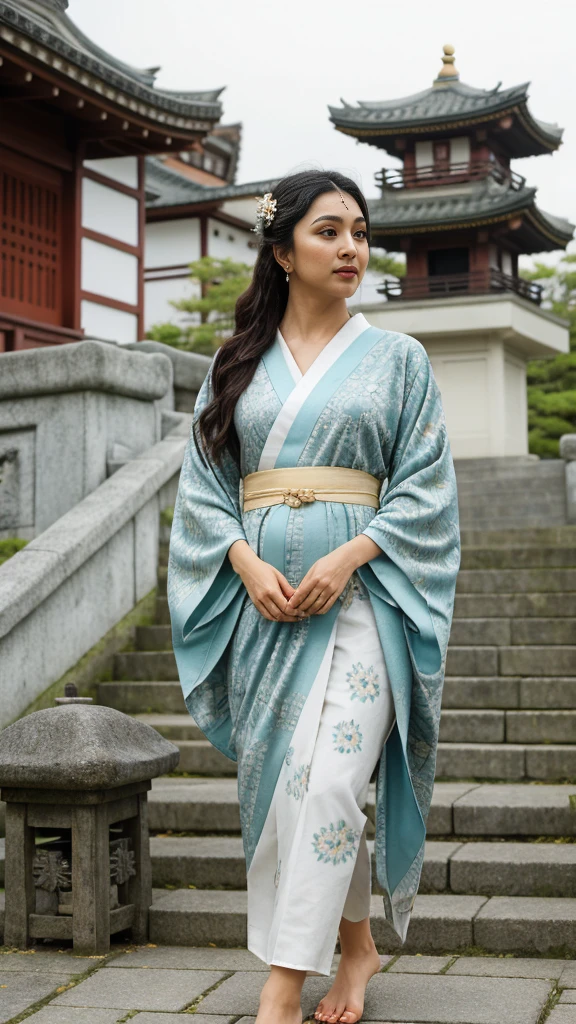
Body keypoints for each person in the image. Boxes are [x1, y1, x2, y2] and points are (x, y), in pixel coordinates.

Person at [167, 169, 460, 1024]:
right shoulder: (234, 365)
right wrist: (245, 566)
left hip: (366, 598)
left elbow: (426, 489)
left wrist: (353, 554)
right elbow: (203, 489)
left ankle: (282, 983)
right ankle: (356, 946)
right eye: (329, 231)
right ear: (281, 249)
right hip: (268, 604)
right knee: (293, 783)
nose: (351, 249)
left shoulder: (399, 360)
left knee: (333, 781)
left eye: (360, 233)